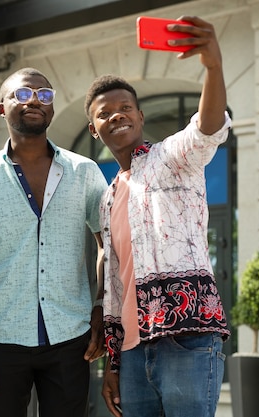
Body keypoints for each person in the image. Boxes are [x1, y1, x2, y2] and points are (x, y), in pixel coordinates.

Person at [84, 16, 231, 417]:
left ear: (141, 116)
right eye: (104, 113)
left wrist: (213, 67)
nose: (116, 115)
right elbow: (116, 283)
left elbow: (207, 129)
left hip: (187, 336)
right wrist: (111, 363)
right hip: (130, 351)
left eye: (125, 108)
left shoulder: (171, 158)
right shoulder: (107, 197)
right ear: (93, 130)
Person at [0, 67, 108, 417]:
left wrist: (101, 305)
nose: (35, 100)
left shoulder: (84, 172)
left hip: (72, 338)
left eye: (45, 94)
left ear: (52, 108)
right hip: (1, 339)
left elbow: (108, 245)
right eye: (22, 94)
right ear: (1, 107)